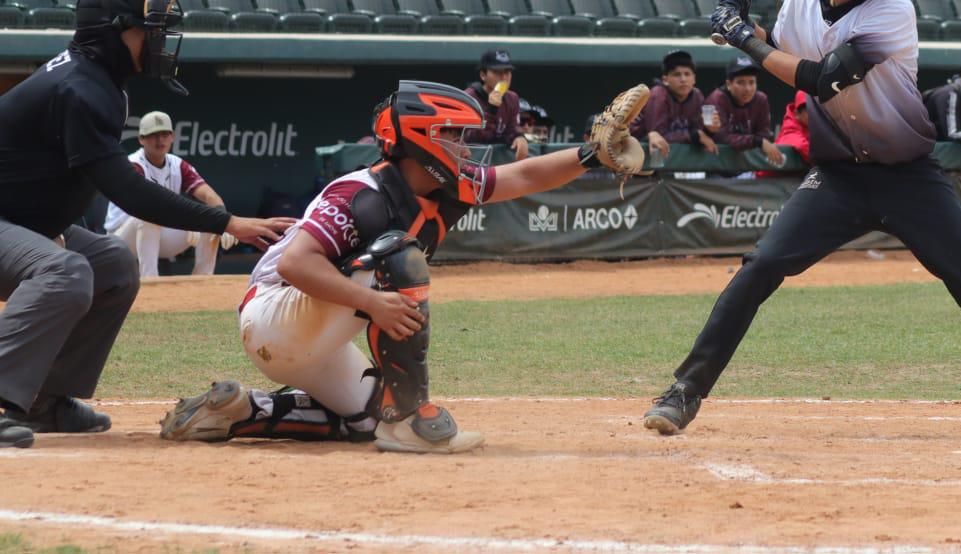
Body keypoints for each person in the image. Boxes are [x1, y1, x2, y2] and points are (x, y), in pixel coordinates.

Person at [641, 0, 961, 441]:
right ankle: (685, 390)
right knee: (760, 268)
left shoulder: (894, 9)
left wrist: (744, 40)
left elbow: (821, 78)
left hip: (908, 176)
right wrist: (742, 26)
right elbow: (783, 56)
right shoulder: (799, 0)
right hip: (839, 176)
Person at [160, 80, 647, 454]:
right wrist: (373, 302)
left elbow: (522, 175)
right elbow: (294, 264)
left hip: (310, 333)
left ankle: (241, 410)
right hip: (273, 316)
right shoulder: (358, 193)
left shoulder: (447, 186)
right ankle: (410, 418)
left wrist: (591, 154)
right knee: (398, 252)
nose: (464, 147)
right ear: (421, 140)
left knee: (362, 418)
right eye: (453, 136)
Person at [0, 0, 292, 449]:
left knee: (113, 265)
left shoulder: (98, 81)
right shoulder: (80, 85)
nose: (158, 40)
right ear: (115, 33)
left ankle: (44, 400)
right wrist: (226, 221)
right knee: (66, 271)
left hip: (17, 223)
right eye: (147, 29)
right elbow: (127, 191)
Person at [104, 110, 237, 279]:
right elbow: (145, 206)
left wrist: (223, 221)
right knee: (148, 217)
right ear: (141, 139)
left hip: (160, 234)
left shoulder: (177, 165)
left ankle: (202, 281)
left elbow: (211, 197)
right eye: (153, 135)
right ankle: (149, 282)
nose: (160, 140)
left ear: (172, 137)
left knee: (212, 216)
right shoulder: (132, 165)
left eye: (164, 134)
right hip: (122, 238)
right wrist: (188, 220)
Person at [631, 49, 718, 159]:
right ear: (665, 80)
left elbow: (698, 132)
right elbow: (657, 136)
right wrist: (694, 136)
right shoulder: (658, 94)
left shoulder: (697, 95)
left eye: (687, 74)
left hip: (669, 158)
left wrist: (709, 130)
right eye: (677, 74)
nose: (683, 79)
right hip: (635, 149)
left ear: (694, 79)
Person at [704, 56, 784, 168]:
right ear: (728, 84)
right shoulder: (716, 99)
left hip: (748, 167)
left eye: (751, 82)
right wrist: (757, 141)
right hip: (716, 167)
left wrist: (759, 141)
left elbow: (763, 133)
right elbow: (721, 137)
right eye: (741, 82)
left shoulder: (761, 99)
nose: (747, 88)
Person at [463, 48, 528, 160]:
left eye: (507, 72)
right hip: (472, 163)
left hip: (499, 164)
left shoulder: (512, 98)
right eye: (497, 72)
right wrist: (492, 109)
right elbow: (474, 140)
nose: (503, 78)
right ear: (483, 75)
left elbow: (511, 131)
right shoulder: (469, 98)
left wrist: (519, 137)